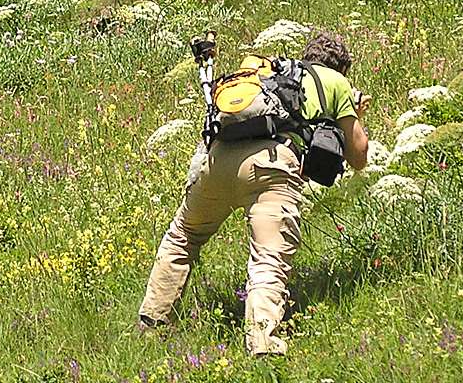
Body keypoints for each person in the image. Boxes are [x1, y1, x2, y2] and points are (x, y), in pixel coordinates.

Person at [138, 30, 370, 356]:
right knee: (268, 260)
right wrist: (355, 113)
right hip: (271, 167)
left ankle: (153, 325)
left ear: (306, 55)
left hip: (216, 160)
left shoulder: (273, 71)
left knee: (184, 236)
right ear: (342, 66)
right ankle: (263, 350)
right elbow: (358, 157)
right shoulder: (336, 82)